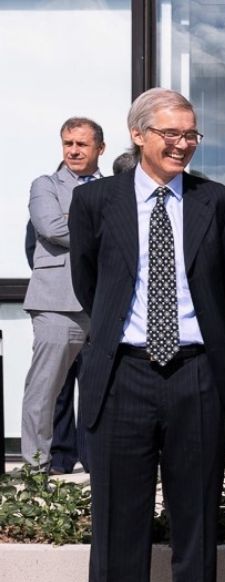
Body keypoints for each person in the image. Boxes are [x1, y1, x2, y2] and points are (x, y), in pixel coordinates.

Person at [68, 88, 225, 582]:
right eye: (171, 133)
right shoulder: (95, 202)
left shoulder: (219, 202)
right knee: (119, 525)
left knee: (197, 519)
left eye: (191, 134)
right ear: (138, 134)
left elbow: (223, 286)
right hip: (123, 374)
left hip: (197, 373)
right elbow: (90, 286)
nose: (182, 144)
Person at [23, 117, 104, 472]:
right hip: (57, 302)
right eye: (68, 143)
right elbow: (52, 227)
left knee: (108, 391)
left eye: (82, 144)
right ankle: (36, 469)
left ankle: (104, 465)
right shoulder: (45, 185)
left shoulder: (117, 186)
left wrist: (76, 220)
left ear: (99, 148)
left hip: (106, 302)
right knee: (45, 390)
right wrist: (104, 228)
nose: (73, 150)